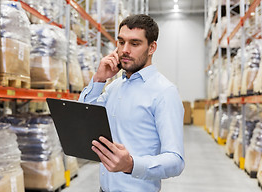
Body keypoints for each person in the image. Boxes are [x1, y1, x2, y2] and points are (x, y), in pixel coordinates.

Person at [78, 14, 185, 192]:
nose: (125, 50)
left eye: (134, 44)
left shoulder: (165, 92)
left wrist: (131, 165)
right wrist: (98, 80)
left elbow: (176, 161)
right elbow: (84, 118)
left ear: (152, 48)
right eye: (121, 42)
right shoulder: (114, 87)